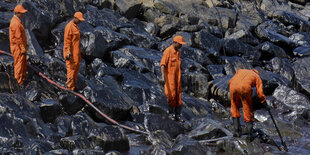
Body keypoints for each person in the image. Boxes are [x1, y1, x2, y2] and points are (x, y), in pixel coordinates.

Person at [229, 69, 270, 140]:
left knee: (234, 106)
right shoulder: (257, 76)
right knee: (247, 108)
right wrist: (264, 103)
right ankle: (250, 135)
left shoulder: (241, 71)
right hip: (244, 87)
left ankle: (236, 132)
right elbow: (260, 93)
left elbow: (231, 80)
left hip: (232, 85)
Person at [160, 35, 186, 122]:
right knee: (171, 96)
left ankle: (178, 115)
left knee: (178, 97)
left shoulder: (178, 52)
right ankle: (171, 114)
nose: (181, 46)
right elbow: (163, 64)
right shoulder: (168, 51)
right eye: (180, 44)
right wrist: (163, 77)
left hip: (177, 78)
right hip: (169, 79)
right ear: (175, 43)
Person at [63, 12, 85, 91]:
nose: (80, 22)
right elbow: (67, 42)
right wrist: (68, 52)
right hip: (71, 53)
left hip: (76, 52)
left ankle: (74, 86)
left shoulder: (76, 27)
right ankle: (69, 87)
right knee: (71, 69)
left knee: (76, 69)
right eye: (79, 20)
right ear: (75, 18)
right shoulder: (69, 27)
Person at [9, 4, 28, 87]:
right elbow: (18, 38)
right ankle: (18, 83)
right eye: (22, 13)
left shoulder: (16, 21)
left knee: (22, 64)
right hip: (17, 48)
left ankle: (22, 80)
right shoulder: (16, 24)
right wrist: (22, 48)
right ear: (17, 13)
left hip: (18, 47)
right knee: (19, 65)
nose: (23, 14)